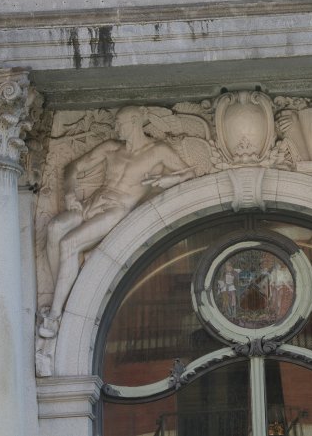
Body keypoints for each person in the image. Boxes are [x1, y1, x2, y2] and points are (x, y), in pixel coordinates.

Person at [39, 106, 196, 337]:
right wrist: (70, 193)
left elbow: (188, 174)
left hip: (117, 210)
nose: (116, 128)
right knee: (54, 228)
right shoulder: (111, 148)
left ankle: (54, 316)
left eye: (120, 123)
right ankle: (64, 293)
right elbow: (73, 167)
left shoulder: (158, 151)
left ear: (134, 122)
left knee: (68, 244)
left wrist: (165, 180)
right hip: (93, 203)